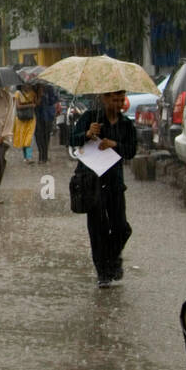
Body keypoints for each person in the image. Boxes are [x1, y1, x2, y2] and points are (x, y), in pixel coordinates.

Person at [70, 89, 137, 287]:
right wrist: (87, 134)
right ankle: (103, 273)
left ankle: (112, 259)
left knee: (121, 228)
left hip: (115, 182)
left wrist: (114, 144)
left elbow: (131, 151)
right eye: (114, 99)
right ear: (104, 98)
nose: (118, 104)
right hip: (91, 182)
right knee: (98, 229)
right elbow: (71, 141)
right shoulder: (90, 118)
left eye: (121, 99)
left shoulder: (126, 124)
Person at [34, 82, 58, 164]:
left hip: (48, 116)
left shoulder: (49, 88)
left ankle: (45, 156)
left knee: (46, 136)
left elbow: (54, 100)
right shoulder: (34, 87)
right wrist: (39, 95)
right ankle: (41, 155)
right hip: (37, 115)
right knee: (38, 135)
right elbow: (33, 102)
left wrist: (44, 96)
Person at [13, 83, 37, 163]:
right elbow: (18, 106)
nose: (27, 86)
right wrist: (30, 105)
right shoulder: (17, 93)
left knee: (29, 138)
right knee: (23, 138)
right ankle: (25, 157)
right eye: (25, 85)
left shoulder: (33, 93)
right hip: (21, 120)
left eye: (28, 85)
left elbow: (36, 103)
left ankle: (29, 157)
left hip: (31, 119)